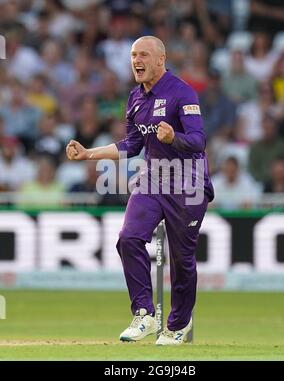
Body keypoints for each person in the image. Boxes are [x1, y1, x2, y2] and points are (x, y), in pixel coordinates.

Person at [66, 36, 214, 345]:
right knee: (128, 238)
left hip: (188, 184)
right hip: (152, 180)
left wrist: (174, 138)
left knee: (181, 259)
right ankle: (144, 314)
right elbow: (132, 145)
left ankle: (178, 324)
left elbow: (199, 141)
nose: (137, 60)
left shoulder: (182, 92)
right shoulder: (135, 98)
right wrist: (88, 153)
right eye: (134, 54)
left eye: (143, 54)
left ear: (161, 59)